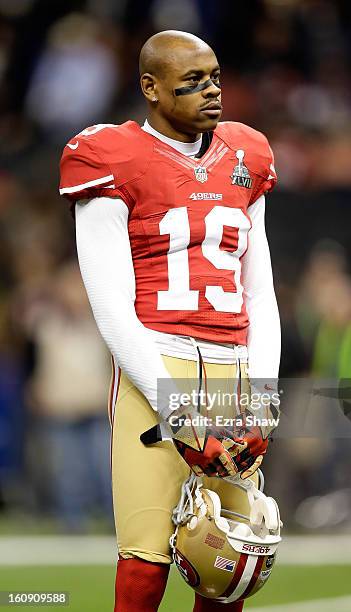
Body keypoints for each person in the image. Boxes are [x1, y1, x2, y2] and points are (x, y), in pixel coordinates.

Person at [59, 30, 281, 612]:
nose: (212, 92)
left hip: (234, 369)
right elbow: (110, 306)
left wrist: (263, 398)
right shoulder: (111, 156)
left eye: (215, 78)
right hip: (157, 362)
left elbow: (260, 291)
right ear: (150, 89)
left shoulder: (245, 154)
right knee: (146, 558)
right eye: (192, 82)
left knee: (229, 555)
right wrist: (180, 414)